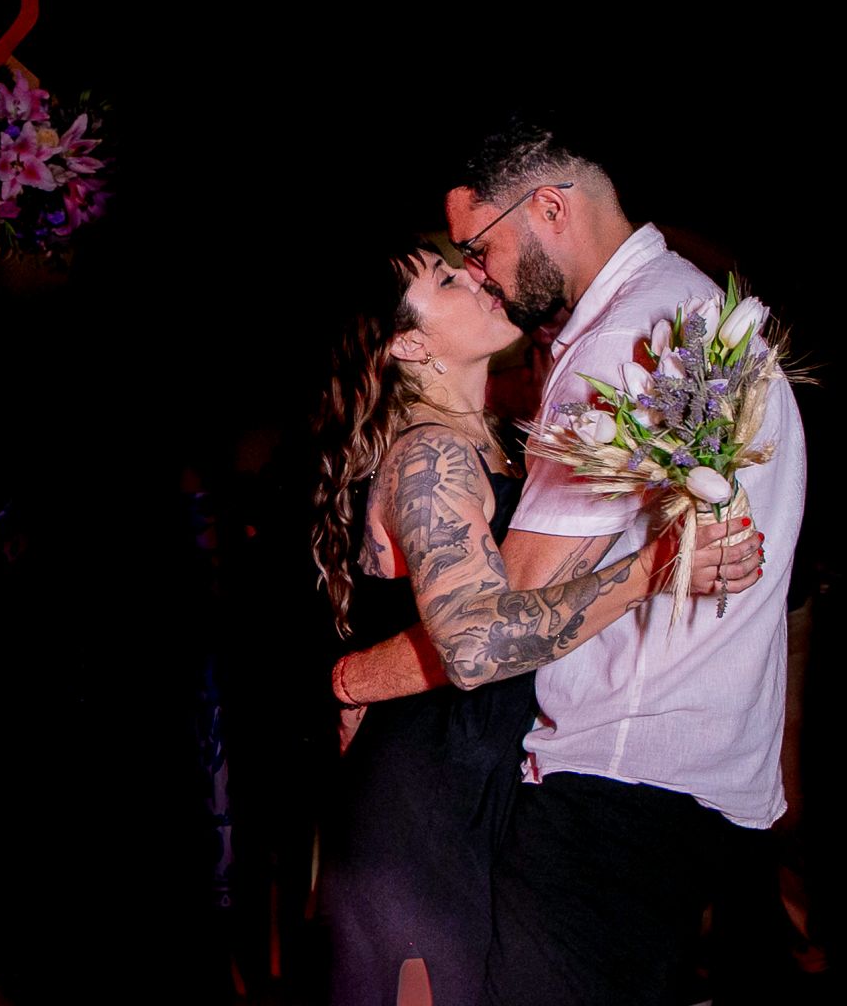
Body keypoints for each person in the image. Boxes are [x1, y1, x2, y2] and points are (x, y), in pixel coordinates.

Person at [310, 240, 760, 1006]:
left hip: (480, 796)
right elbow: (478, 643)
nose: (477, 277)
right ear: (408, 343)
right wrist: (654, 569)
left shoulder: (498, 446)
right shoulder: (429, 459)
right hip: (419, 817)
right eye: (448, 279)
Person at [436, 122, 806, 1003]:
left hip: (614, 783)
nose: (477, 271)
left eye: (477, 248)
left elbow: (502, 608)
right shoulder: (694, 308)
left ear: (550, 208)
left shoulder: (627, 342)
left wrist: (354, 681)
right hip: (697, 782)